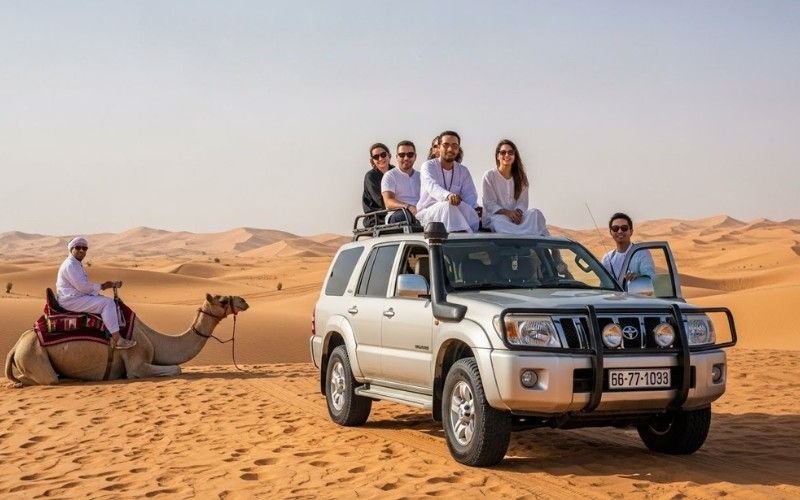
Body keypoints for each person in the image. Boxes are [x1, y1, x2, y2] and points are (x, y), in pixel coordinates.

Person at [56, 237, 136, 349]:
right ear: (71, 249)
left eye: (84, 248)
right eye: (78, 247)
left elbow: (83, 286)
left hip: (75, 296)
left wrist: (102, 287)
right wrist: (103, 286)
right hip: (71, 300)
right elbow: (83, 287)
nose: (81, 250)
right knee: (107, 303)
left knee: (102, 299)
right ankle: (117, 339)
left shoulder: (75, 264)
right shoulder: (70, 265)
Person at [481, 139, 549, 235]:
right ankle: (523, 235)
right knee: (498, 222)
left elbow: (523, 202)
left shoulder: (521, 177)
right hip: (498, 217)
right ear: (497, 156)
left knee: (536, 213)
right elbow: (489, 203)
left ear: (514, 156)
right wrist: (508, 213)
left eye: (510, 152)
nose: (507, 155)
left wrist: (517, 213)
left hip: (517, 218)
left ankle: (524, 234)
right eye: (503, 152)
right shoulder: (489, 176)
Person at [416, 130, 480, 232]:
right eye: (446, 145)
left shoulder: (463, 171)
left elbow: (470, 196)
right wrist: (448, 196)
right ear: (439, 147)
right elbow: (432, 186)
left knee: (467, 211)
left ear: (458, 149)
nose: (450, 149)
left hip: (458, 211)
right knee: (448, 205)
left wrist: (472, 209)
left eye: (454, 146)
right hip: (429, 214)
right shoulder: (428, 166)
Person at [601, 212, 656, 286]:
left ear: (631, 231)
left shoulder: (641, 253)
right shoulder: (607, 258)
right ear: (611, 232)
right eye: (615, 228)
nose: (620, 231)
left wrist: (638, 278)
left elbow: (650, 279)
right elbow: (603, 285)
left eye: (624, 228)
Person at [381, 140, 421, 224]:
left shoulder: (421, 176)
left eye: (410, 155)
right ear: (397, 157)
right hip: (399, 213)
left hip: (421, 213)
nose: (406, 158)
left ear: (415, 157)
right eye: (402, 155)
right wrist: (408, 207)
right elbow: (388, 202)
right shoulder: (390, 175)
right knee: (404, 215)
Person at [362, 142, 394, 227]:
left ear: (389, 155)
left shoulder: (396, 172)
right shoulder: (371, 176)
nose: (380, 158)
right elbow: (381, 200)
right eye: (376, 157)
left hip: (397, 211)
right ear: (372, 160)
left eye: (383, 155)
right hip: (377, 217)